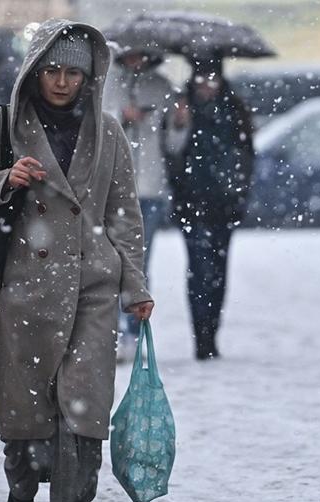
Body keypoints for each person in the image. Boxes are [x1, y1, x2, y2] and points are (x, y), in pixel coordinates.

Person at [0, 20, 153, 502]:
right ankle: (22, 486)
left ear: (89, 77)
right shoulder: (5, 124)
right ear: (35, 72)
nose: (62, 82)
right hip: (27, 287)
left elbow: (124, 216)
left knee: (84, 413)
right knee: (25, 413)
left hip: (91, 287)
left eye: (73, 72)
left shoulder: (108, 132)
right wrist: (5, 180)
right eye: (52, 71)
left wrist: (136, 285)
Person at [168, 57, 254, 360]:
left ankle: (211, 333)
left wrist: (239, 192)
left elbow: (246, 155)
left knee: (218, 272)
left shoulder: (235, 109)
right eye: (202, 80)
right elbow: (172, 152)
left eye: (213, 80)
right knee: (199, 270)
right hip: (191, 203)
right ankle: (201, 338)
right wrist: (180, 124)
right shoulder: (182, 107)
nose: (208, 87)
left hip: (224, 204)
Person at [107, 49, 188, 358]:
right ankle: (110, 331)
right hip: (113, 191)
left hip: (151, 191)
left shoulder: (163, 87)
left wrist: (180, 123)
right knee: (111, 264)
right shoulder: (108, 86)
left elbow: (173, 145)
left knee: (139, 265)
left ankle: (133, 332)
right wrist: (121, 117)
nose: (136, 60)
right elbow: (97, 133)